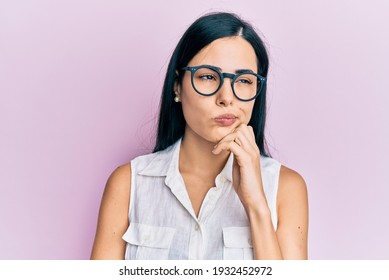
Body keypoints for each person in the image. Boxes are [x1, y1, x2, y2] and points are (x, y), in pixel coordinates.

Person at [90, 12, 308, 260]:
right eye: (207, 76)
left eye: (244, 80)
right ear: (177, 87)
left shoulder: (286, 188)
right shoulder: (129, 183)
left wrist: (257, 205)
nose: (227, 97)